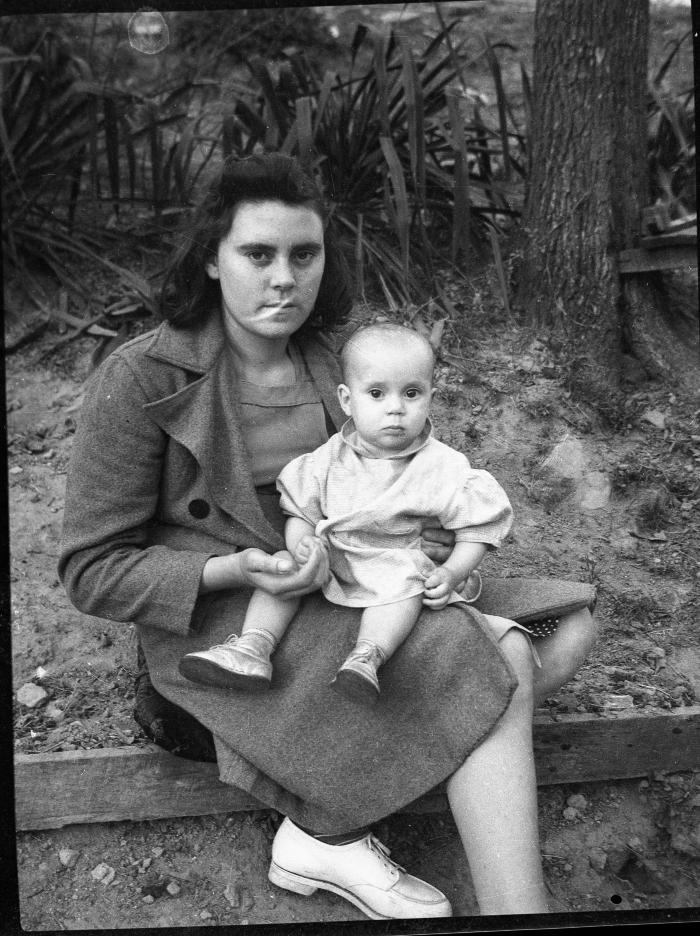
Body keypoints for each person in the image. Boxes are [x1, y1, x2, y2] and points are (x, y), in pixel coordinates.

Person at [59, 152, 597, 919]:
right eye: (258, 254)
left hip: (363, 581)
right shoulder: (142, 377)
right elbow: (89, 570)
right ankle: (521, 912)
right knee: (497, 653)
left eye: (303, 255)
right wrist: (241, 568)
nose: (284, 277)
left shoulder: (337, 358)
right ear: (212, 259)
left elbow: (407, 484)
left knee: (570, 626)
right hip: (235, 628)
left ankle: (322, 824)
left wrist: (445, 551)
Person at [179, 322, 518, 705]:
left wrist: (452, 571)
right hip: (331, 558)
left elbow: (477, 529)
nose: (395, 408)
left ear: (430, 398)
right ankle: (253, 646)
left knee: (405, 584)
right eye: (376, 393)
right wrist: (302, 544)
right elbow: (301, 512)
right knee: (282, 565)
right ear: (346, 399)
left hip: (393, 559)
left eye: (411, 394)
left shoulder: (443, 466)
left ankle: (367, 657)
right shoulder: (327, 459)